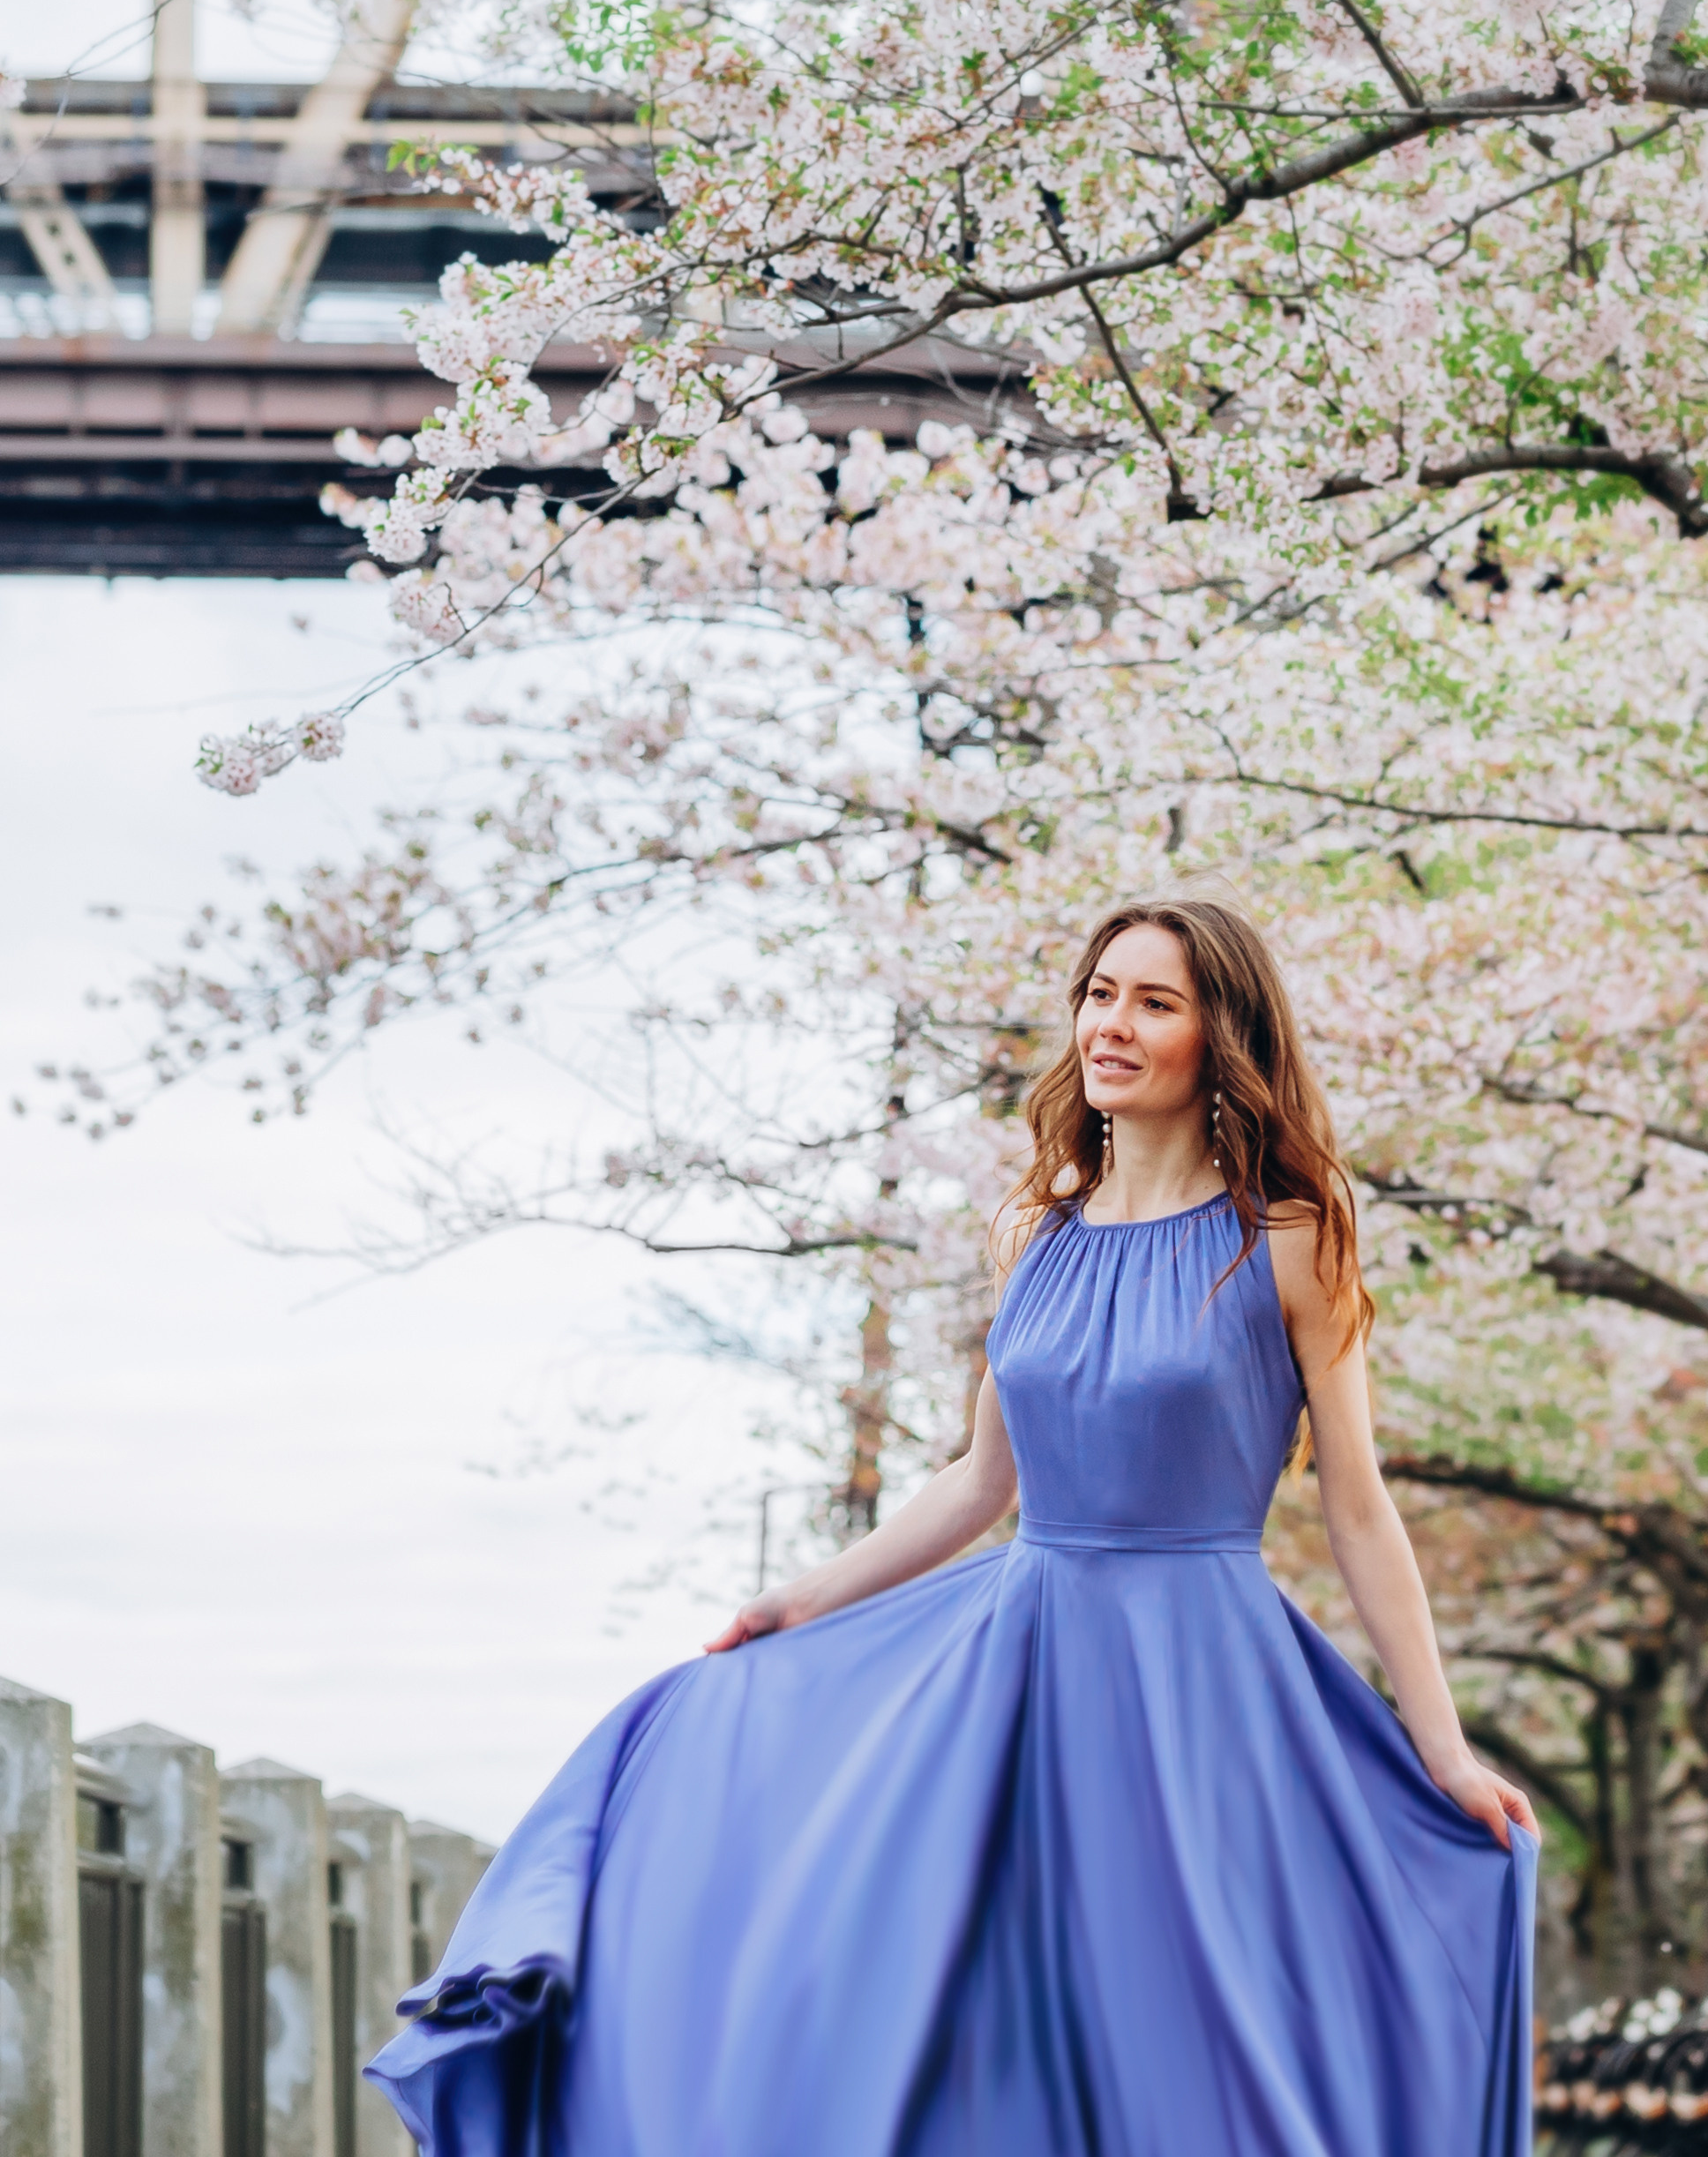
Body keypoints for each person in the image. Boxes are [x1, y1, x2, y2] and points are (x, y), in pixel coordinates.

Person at [368, 894, 1539, 2157]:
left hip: (1200, 1683)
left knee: (1185, 2034)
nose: (1113, 1025)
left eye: (1156, 1002)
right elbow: (982, 1481)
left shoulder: (1292, 1243)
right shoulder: (1034, 1235)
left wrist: (1445, 1750)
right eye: (1100, 993)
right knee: (970, 2020)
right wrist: (799, 1601)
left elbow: (1359, 1512)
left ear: (1223, 1035)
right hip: (1023, 1664)